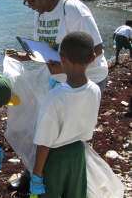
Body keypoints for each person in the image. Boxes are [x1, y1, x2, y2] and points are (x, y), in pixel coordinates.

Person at [6, 0, 108, 193]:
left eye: (32, 1)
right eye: (27, 3)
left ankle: (75, 178)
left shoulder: (72, 9)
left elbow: (97, 49)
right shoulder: (39, 13)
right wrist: (24, 56)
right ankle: (33, 172)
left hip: (87, 77)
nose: (32, 7)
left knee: (70, 133)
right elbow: (47, 49)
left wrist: (62, 67)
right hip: (59, 75)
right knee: (42, 125)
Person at [30, 31, 101, 197]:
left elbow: (44, 142)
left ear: (61, 57)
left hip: (55, 157)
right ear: (92, 58)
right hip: (78, 153)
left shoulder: (54, 97)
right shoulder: (95, 89)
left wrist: (36, 176)